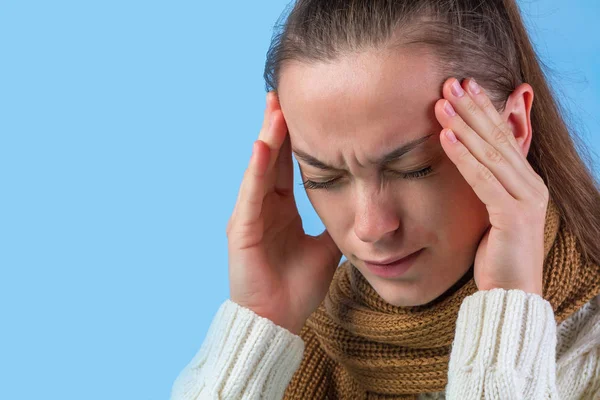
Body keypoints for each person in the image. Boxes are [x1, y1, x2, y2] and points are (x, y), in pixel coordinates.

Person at [170, 0, 600, 398]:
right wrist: (258, 328)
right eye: (323, 178)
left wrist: (509, 318)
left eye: (412, 169)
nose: (370, 228)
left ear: (512, 128)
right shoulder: (304, 343)